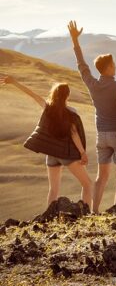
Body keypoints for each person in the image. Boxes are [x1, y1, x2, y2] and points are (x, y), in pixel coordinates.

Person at [68, 21, 116, 213]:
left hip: (102, 136)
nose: (115, 67)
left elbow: (81, 66)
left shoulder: (92, 84)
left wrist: (75, 41)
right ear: (108, 68)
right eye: (113, 64)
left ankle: (95, 211)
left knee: (102, 177)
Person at [0, 74, 93, 207]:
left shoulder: (48, 108)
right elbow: (74, 134)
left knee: (53, 190)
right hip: (66, 155)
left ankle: (50, 216)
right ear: (67, 96)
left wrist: (14, 82)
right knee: (87, 184)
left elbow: (33, 95)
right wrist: (82, 152)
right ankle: (85, 214)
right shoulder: (71, 112)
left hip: (51, 155)